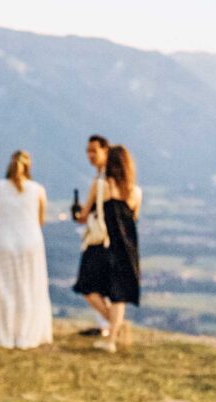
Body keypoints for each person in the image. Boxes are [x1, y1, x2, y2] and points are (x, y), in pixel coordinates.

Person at [0, 150, 52, 349]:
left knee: (5, 290)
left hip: (4, 242)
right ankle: (25, 336)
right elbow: (40, 220)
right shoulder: (37, 189)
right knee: (29, 289)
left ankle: (5, 334)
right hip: (30, 243)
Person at [94, 144, 142, 352]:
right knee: (119, 296)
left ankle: (112, 337)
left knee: (106, 291)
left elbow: (101, 215)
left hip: (111, 246)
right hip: (129, 249)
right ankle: (113, 337)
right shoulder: (136, 192)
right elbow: (134, 218)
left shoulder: (105, 186)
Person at [73, 134, 114, 338]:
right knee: (102, 287)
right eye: (88, 151)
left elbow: (83, 215)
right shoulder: (114, 177)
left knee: (87, 286)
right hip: (112, 239)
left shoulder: (100, 181)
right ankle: (107, 327)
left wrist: (79, 213)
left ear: (105, 151)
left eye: (93, 151)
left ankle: (114, 324)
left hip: (98, 239)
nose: (90, 155)